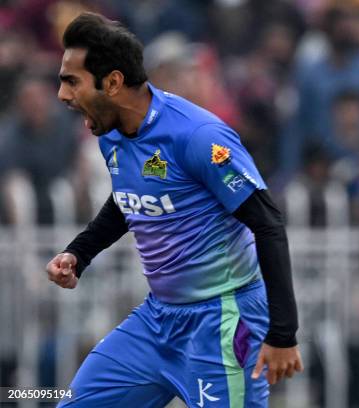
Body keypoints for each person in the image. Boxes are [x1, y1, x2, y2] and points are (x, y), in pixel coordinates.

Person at [45, 12, 302, 407]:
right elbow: (130, 198)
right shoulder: (110, 133)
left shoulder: (198, 137)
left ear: (112, 82)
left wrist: (282, 335)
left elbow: (268, 224)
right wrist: (80, 252)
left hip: (222, 321)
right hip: (158, 320)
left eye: (71, 81)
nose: (63, 96)